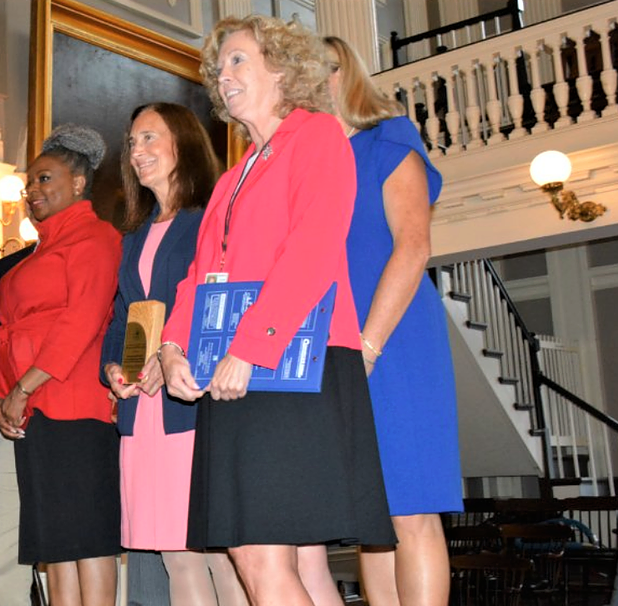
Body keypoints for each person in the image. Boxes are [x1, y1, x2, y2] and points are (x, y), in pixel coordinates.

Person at [157, 16, 395, 606]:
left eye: (238, 60)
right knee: (290, 562)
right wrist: (171, 348)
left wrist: (250, 346)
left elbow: (312, 249)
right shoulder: (232, 177)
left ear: (283, 69)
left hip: (290, 362)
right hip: (238, 370)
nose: (224, 75)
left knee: (260, 555)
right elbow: (199, 277)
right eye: (220, 67)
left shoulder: (316, 135)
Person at [324, 36, 462, 606]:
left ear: (349, 73)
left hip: (396, 339)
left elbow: (413, 246)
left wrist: (370, 345)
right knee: (371, 521)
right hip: (342, 345)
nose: (316, 80)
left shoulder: (389, 137)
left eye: (327, 69)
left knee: (410, 508)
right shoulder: (314, 162)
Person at [102, 103, 245, 606]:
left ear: (182, 142)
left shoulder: (210, 222)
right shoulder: (135, 235)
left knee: (220, 554)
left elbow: (219, 308)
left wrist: (175, 358)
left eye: (149, 139)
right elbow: (122, 316)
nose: (137, 152)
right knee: (174, 554)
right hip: (144, 413)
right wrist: (114, 367)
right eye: (132, 143)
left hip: (193, 404)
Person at [0, 124, 122, 606]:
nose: (33, 191)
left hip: (74, 406)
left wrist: (21, 388)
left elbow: (82, 321)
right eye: (30, 183)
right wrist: (11, 397)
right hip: (37, 412)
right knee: (57, 549)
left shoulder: (95, 237)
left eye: (45, 179)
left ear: (79, 184)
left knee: (88, 542)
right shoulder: (38, 251)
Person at [0, 242, 35, 606]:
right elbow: (3, 341)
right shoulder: (8, 266)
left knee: (72, 551)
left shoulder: (97, 244)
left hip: (70, 414)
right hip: (8, 418)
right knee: (2, 547)